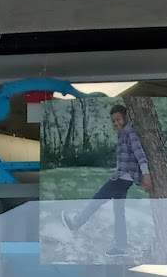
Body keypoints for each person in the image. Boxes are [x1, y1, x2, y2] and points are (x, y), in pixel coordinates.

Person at [62, 103, 153, 255]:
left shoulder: (130, 133)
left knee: (98, 198)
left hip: (123, 178)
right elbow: (123, 158)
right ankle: (121, 246)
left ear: (125, 118)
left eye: (118, 119)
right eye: (113, 121)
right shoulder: (122, 134)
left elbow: (140, 154)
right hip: (124, 177)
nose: (116, 123)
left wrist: (146, 175)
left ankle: (75, 223)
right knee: (119, 211)